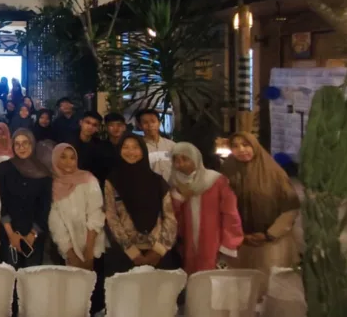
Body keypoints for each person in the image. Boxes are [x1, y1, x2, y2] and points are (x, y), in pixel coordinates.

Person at [222, 132, 301, 273]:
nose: (241, 150)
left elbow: (291, 208)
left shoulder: (274, 173)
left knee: (268, 280)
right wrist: (239, 235)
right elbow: (220, 207)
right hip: (240, 244)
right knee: (242, 281)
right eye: (235, 146)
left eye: (245, 145)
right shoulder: (227, 170)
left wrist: (269, 234)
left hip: (272, 243)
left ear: (255, 146)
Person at [104, 134, 178, 275]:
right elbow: (111, 216)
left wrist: (158, 250)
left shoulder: (157, 181)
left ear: (143, 150)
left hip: (156, 251)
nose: (130, 152)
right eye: (125, 147)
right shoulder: (112, 181)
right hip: (125, 253)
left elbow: (169, 217)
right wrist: (132, 252)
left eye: (135, 147)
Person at [48, 143, 106, 313]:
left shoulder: (88, 179)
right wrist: (71, 254)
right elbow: (55, 223)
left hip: (93, 246)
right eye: (63, 157)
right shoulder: (51, 185)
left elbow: (96, 213)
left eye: (72, 158)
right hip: (68, 250)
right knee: (72, 297)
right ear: (55, 159)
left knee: (95, 297)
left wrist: (89, 251)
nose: (68, 162)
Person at [170, 142, 243, 274]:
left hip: (214, 242)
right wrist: (179, 197)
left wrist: (228, 244)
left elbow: (230, 214)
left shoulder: (215, 180)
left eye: (185, 159)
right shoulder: (175, 183)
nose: (180, 164)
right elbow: (172, 216)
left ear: (195, 159)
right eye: (176, 160)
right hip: (187, 244)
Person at [0, 129, 51, 269]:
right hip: (9, 231)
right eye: (17, 144)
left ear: (32, 144)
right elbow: (1, 201)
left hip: (34, 235)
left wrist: (33, 234)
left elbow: (45, 207)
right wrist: (11, 234)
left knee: (31, 278)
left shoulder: (43, 171)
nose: (22, 147)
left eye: (25, 143)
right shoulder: (5, 168)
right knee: (10, 277)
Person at [66, 111, 113, 185]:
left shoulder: (99, 146)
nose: (90, 127)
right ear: (81, 122)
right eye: (87, 122)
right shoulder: (69, 142)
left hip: (91, 183)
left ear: (97, 128)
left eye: (94, 125)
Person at [136, 109, 175, 180]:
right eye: (145, 122)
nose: (150, 125)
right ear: (140, 126)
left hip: (172, 185)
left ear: (159, 123)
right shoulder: (138, 147)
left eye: (153, 121)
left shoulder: (171, 145)